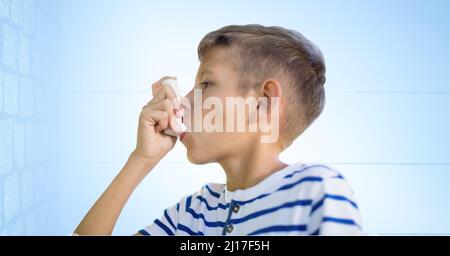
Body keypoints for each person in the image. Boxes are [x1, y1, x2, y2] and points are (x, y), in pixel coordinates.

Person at [75, 24, 362, 236]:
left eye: (206, 84)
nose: (183, 103)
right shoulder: (191, 214)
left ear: (263, 103)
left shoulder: (315, 191)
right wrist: (141, 159)